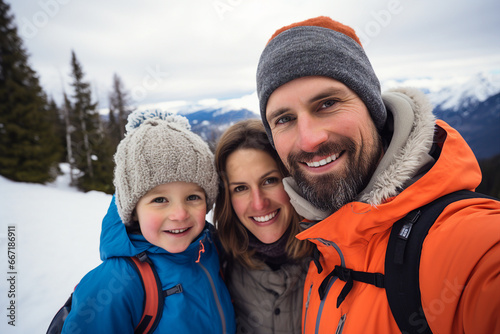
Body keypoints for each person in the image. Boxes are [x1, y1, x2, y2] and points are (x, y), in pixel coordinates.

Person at [256, 16, 500, 333]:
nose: (308, 139)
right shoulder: (320, 245)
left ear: (373, 109)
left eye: (327, 103)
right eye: (284, 119)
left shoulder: (474, 246)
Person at [61, 110, 236, 333]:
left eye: (193, 197)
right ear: (133, 211)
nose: (179, 214)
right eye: (160, 199)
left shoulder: (213, 250)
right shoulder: (114, 286)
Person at [213, 119, 312, 334]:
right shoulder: (217, 264)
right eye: (240, 188)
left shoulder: (334, 255)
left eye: (269, 181)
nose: (259, 203)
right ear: (227, 199)